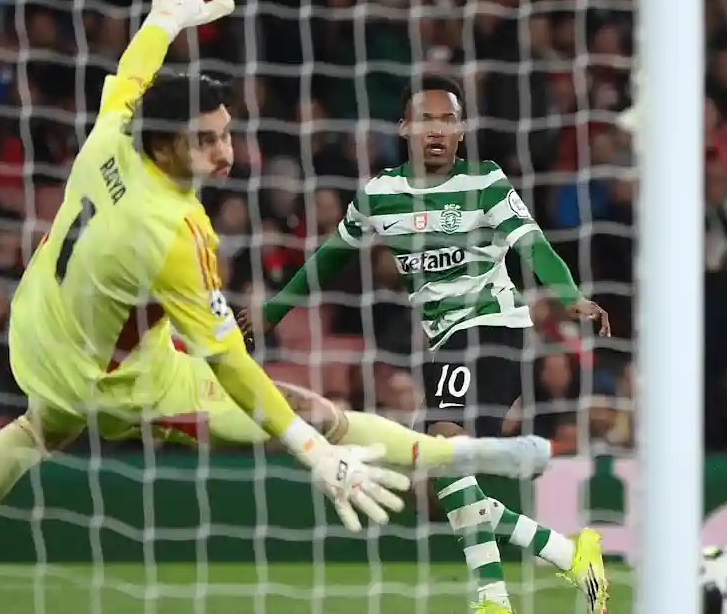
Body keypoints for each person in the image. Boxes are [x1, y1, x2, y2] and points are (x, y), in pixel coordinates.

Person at [0, 0, 550, 614]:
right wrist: (312, 453)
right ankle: (468, 452)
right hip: (119, 383)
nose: (228, 153)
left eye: (226, 133)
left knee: (34, 430)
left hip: (41, 327)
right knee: (310, 411)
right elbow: (232, 365)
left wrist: (164, 17)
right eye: (207, 140)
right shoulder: (175, 233)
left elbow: (132, 71)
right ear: (167, 146)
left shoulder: (114, 132)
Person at [239, 75, 611, 614]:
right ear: (404, 129)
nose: (436, 130)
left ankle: (493, 600)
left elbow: (533, 244)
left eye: (447, 120)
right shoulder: (379, 195)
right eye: (425, 120)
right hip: (445, 342)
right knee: (440, 476)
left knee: (444, 446)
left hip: (493, 330)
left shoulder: (485, 181)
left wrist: (569, 294)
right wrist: (272, 312)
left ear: (462, 131)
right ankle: (568, 555)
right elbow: (329, 257)